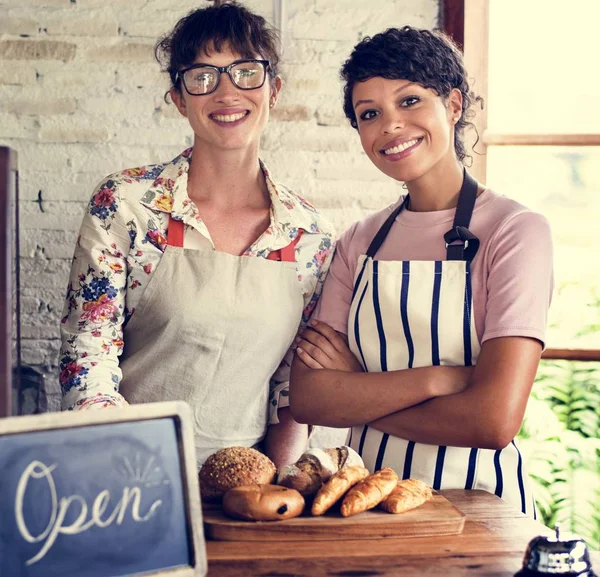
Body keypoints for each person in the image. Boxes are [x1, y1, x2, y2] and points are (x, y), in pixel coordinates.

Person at [289, 26, 553, 516]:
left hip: (480, 509)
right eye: (370, 113)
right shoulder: (359, 241)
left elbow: (492, 422)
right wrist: (438, 380)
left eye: (409, 101)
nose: (390, 125)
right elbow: (310, 399)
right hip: (367, 504)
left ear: (453, 105)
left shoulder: (515, 232)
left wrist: (360, 389)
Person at [59, 1, 335, 469]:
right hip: (122, 468)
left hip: (245, 484)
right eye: (202, 76)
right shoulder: (127, 205)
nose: (226, 92)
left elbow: (289, 388)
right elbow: (89, 354)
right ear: (179, 99)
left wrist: (280, 485)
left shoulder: (311, 236)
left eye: (246, 72)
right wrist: (127, 474)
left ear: (274, 90)